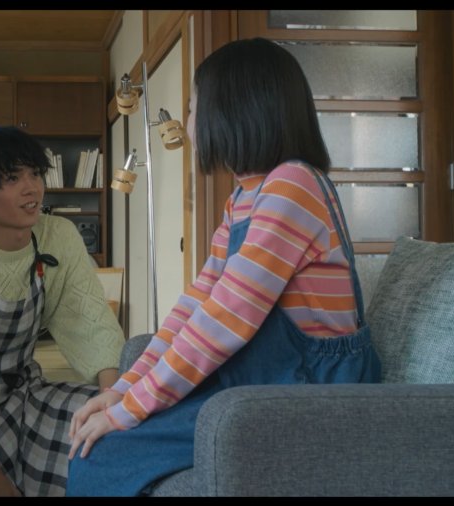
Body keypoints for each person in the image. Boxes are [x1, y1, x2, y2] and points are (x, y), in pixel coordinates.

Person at [66, 37, 382, 496]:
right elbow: (197, 304)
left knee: (102, 454)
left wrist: (130, 409)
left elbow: (224, 320)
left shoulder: (293, 186)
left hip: (311, 392)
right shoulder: (243, 198)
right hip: (264, 382)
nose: (189, 122)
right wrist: (123, 389)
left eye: (193, 107)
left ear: (234, 109)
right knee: (101, 447)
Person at [0, 126, 125, 497]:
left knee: (99, 430)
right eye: (13, 179)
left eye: (35, 174)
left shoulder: (59, 235)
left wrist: (113, 411)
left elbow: (92, 324)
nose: (32, 189)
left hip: (26, 391)